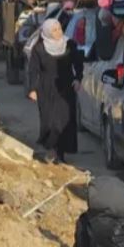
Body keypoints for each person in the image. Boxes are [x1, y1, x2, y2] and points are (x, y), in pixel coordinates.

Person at [27, 19, 83, 164]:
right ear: (46, 32)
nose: (58, 32)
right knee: (50, 121)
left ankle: (61, 153)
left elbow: (78, 63)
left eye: (59, 29)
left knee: (64, 122)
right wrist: (32, 88)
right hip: (46, 88)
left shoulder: (69, 44)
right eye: (54, 30)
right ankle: (51, 149)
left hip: (65, 87)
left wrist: (78, 79)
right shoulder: (39, 48)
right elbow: (33, 70)